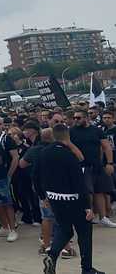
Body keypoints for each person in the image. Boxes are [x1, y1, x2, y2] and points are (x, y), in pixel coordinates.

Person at [39, 124, 104, 274]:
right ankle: (86, 269)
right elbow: (79, 182)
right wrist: (87, 206)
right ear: (67, 136)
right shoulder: (69, 155)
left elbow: (36, 176)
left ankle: (52, 255)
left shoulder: (43, 153)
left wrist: (43, 196)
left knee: (65, 229)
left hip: (54, 198)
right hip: (73, 199)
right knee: (84, 233)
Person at [70, 109, 116, 227]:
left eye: (78, 118)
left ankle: (103, 217)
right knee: (87, 193)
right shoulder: (71, 131)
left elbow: (106, 146)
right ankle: (88, 217)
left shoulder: (96, 130)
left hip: (97, 165)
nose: (76, 120)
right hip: (81, 167)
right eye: (74, 118)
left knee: (100, 191)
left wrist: (109, 163)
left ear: (86, 118)